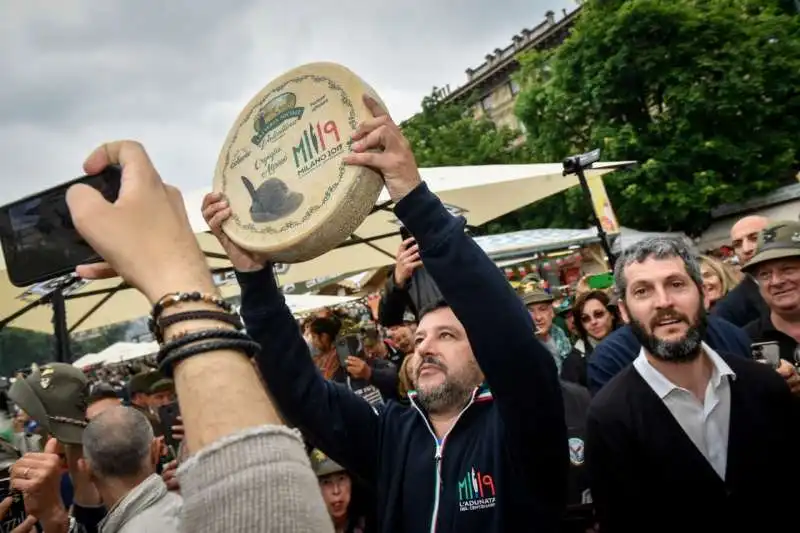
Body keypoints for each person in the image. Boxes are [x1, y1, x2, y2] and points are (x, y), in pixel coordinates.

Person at [202, 95, 568, 533]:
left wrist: (413, 199)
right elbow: (299, 389)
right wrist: (253, 278)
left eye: (448, 336)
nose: (426, 345)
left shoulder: (519, 424)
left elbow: (509, 336)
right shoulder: (390, 435)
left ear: (483, 359)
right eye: (421, 338)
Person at [586, 237, 798, 532]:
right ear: (623, 311)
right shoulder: (609, 416)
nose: (663, 302)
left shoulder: (764, 387)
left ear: (703, 294)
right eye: (643, 291)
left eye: (676, 284)